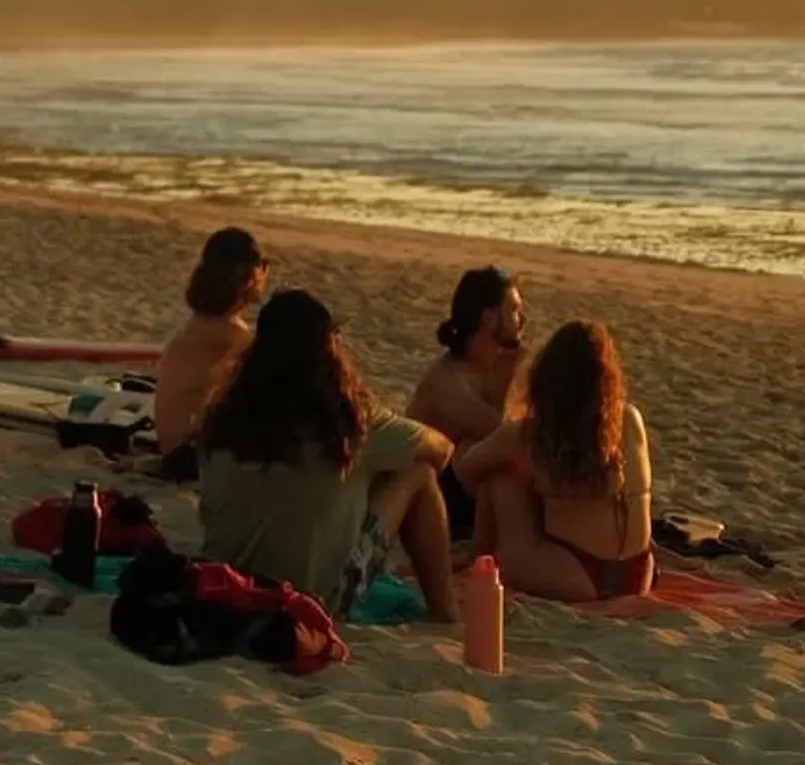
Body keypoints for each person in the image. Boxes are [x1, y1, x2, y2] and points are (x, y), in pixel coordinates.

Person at [197, 289, 458, 621]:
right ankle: (446, 613)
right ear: (328, 349)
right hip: (315, 600)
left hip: (226, 585)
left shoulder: (222, 417)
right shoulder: (350, 422)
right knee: (418, 472)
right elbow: (442, 450)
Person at [454, 320, 653, 602]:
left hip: (575, 573)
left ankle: (476, 559)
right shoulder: (630, 419)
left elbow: (465, 471)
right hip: (638, 573)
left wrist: (526, 480)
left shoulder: (526, 434)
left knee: (499, 478)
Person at [407, 266, 527, 538]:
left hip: (461, 489)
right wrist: (508, 373)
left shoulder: (484, 368)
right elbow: (500, 433)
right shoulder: (448, 381)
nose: (523, 319)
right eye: (515, 310)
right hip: (434, 497)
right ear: (489, 317)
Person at [153, 227, 269, 476]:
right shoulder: (228, 335)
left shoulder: (201, 324)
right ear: (248, 274)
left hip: (177, 447)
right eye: (263, 265)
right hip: (188, 456)